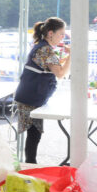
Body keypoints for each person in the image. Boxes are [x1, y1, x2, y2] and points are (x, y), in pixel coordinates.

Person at [14, 17, 71, 163]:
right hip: (30, 98)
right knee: (34, 135)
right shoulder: (45, 50)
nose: (62, 37)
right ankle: (30, 166)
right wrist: (72, 55)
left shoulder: (43, 47)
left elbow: (51, 66)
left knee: (34, 134)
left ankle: (30, 165)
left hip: (31, 95)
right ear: (51, 33)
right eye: (61, 34)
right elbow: (60, 73)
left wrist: (65, 59)